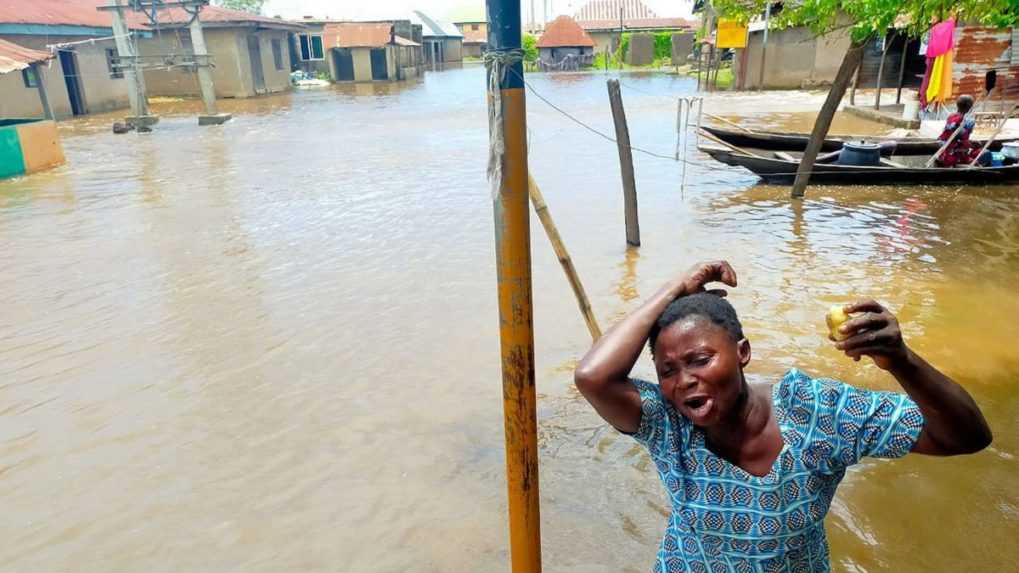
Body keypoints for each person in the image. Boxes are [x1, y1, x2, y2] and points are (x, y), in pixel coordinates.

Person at [574, 261, 992, 572]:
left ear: (742, 353)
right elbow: (594, 376)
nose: (684, 380)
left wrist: (902, 361)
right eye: (668, 371)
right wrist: (673, 288)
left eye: (700, 360)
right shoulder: (668, 426)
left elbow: (967, 436)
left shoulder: (818, 414)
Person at [936, 95, 981, 167]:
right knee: (978, 159)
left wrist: (970, 142)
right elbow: (962, 139)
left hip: (943, 150)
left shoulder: (951, 116)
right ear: (970, 107)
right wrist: (972, 144)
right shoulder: (967, 121)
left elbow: (953, 135)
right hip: (953, 155)